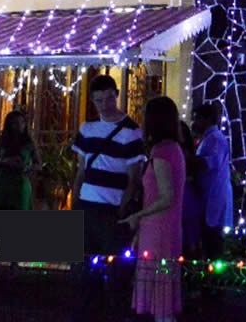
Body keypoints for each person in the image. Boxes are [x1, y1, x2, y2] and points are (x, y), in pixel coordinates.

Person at [71, 74, 144, 318]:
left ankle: (113, 314)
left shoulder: (132, 132)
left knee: (116, 273)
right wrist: (75, 201)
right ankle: (86, 313)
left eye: (109, 98)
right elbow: (81, 168)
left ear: (117, 94)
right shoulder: (87, 128)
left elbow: (134, 177)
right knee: (83, 269)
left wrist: (122, 210)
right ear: (93, 101)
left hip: (111, 210)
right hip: (86, 205)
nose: (105, 104)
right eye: (99, 100)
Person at [121, 96, 186, 322]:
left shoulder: (161, 152)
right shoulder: (174, 149)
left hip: (159, 230)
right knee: (162, 293)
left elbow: (167, 197)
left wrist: (137, 216)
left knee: (160, 295)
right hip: (164, 228)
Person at [192, 101, 233, 260]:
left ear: (207, 119)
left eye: (197, 119)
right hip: (208, 199)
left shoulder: (215, 139)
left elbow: (208, 163)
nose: (194, 123)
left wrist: (184, 159)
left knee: (213, 246)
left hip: (214, 200)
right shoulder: (208, 138)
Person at [0, 110, 41, 210]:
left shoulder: (29, 142)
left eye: (22, 122)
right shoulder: (3, 141)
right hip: (3, 183)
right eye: (15, 123)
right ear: (9, 125)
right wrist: (5, 162)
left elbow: (38, 164)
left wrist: (27, 168)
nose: (19, 126)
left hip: (20, 184)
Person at [179, 121, 204, 260]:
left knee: (188, 232)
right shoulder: (188, 153)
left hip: (186, 197)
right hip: (189, 197)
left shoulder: (181, 153)